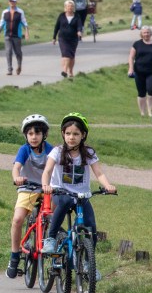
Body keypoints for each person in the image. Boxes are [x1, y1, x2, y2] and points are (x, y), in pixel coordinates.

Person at [41, 113, 117, 270]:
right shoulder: (57, 151)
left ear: (83, 135)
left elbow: (99, 173)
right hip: (60, 193)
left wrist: (108, 186)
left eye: (76, 134)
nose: (71, 137)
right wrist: (46, 185)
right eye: (68, 133)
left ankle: (89, 264)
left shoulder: (88, 153)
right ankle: (51, 238)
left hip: (81, 196)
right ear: (63, 134)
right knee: (65, 202)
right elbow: (47, 171)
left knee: (91, 227)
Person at [5, 114, 53, 279]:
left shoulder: (51, 150)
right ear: (26, 135)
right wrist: (16, 178)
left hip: (47, 189)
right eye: (30, 134)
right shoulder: (24, 150)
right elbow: (16, 167)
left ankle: (50, 242)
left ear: (44, 135)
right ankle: (14, 255)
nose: (34, 137)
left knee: (53, 217)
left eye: (37, 133)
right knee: (18, 219)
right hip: (27, 188)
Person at [0, 0, 28, 76]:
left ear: (16, 2)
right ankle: (10, 69)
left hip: (17, 35)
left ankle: (19, 65)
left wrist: (26, 33)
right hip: (7, 35)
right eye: (10, 1)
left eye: (13, 1)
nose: (12, 3)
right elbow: (1, 24)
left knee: (18, 52)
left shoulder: (20, 12)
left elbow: (24, 23)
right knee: (8, 51)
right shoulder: (5, 12)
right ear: (9, 2)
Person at [52, 0, 83, 79]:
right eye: (68, 6)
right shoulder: (61, 16)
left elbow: (79, 25)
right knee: (66, 54)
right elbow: (56, 27)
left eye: (72, 6)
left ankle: (71, 71)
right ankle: (65, 71)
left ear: (73, 8)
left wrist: (79, 31)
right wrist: (54, 37)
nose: (70, 8)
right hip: (63, 38)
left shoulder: (77, 16)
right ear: (65, 8)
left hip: (73, 39)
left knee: (71, 56)